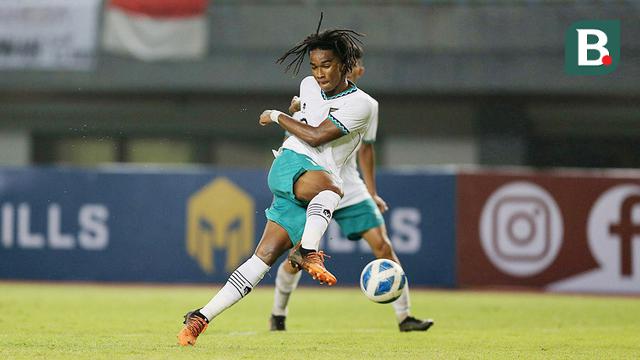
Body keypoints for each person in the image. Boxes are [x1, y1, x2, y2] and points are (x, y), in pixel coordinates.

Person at [177, 23, 375, 346]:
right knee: (332, 191)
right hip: (291, 166)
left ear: (345, 65)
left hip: (305, 183)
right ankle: (307, 251)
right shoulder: (309, 85)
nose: (319, 73)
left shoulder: (361, 104)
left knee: (261, 260)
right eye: (314, 66)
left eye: (327, 65)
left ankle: (199, 317)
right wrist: (284, 113)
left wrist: (282, 114)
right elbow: (307, 129)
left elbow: (316, 132)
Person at [269, 50, 435, 333]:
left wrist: (372, 192)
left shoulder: (365, 106)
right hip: (313, 180)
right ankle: (278, 314)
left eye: (356, 65)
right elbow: (297, 139)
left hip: (349, 185)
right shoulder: (310, 94)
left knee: (383, 245)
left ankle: (405, 317)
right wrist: (292, 112)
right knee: (299, 256)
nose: (355, 69)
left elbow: (367, 149)